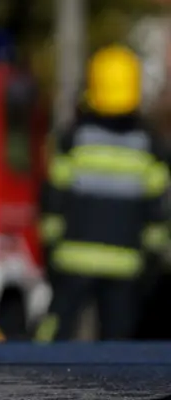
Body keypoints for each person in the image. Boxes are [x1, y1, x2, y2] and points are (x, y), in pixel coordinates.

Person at [34, 44, 170, 342]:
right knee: (118, 353)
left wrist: (50, 248)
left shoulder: (73, 139)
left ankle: (32, 384)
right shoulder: (150, 147)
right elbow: (158, 212)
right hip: (126, 265)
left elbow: (53, 200)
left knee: (53, 341)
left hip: (72, 262)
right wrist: (153, 259)